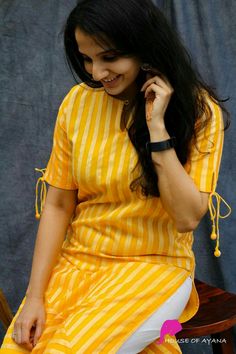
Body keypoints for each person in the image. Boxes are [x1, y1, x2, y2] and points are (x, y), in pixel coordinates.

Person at [1, 0, 230, 353]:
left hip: (153, 267)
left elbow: (186, 218)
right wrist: (33, 298)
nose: (96, 72)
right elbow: (59, 205)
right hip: (80, 263)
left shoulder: (200, 112)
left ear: (146, 47)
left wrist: (157, 129)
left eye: (109, 58)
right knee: (20, 349)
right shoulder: (77, 104)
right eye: (86, 59)